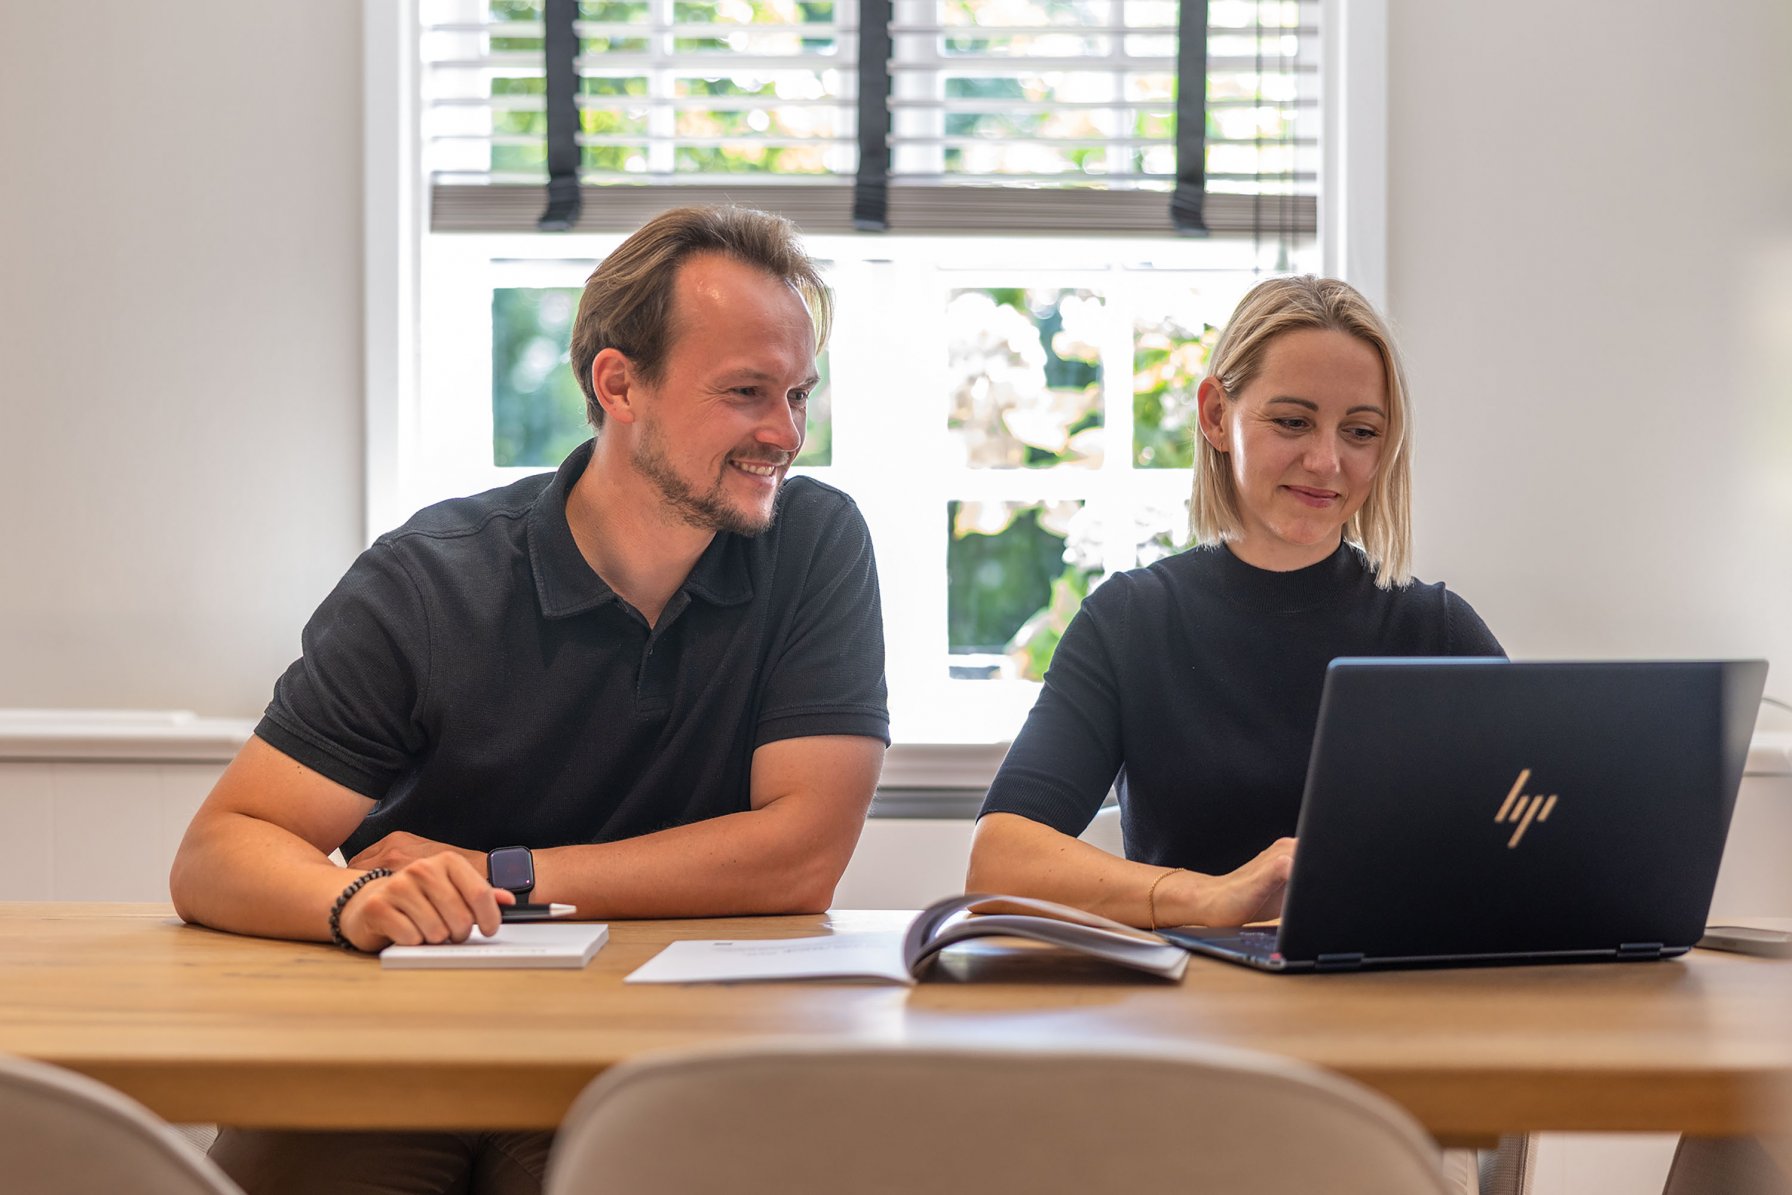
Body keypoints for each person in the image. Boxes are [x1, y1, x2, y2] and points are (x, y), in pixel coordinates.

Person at [169, 205, 889, 1194]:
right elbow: (220, 848)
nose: (786, 432)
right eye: (746, 392)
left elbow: (799, 854)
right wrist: (358, 900)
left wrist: (498, 874)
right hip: (400, 1047)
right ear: (617, 382)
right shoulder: (429, 580)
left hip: (661, 1054)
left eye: (799, 393)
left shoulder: (815, 545)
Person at [966, 274, 1502, 929]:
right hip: (1193, 1009)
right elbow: (999, 864)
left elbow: (1547, 838)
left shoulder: (1436, 630)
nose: (1326, 460)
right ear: (1217, 415)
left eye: (1360, 432)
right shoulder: (1130, 623)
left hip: (1396, 1009)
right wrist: (1210, 896)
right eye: (1292, 421)